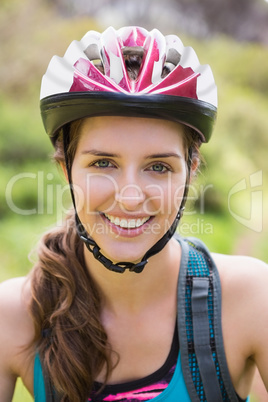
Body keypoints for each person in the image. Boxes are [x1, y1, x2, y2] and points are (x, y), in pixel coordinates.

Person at [0, 26, 267, 402]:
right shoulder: (14, 317)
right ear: (66, 169)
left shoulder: (252, 301)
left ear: (190, 173)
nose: (129, 197)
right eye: (104, 162)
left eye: (158, 167)